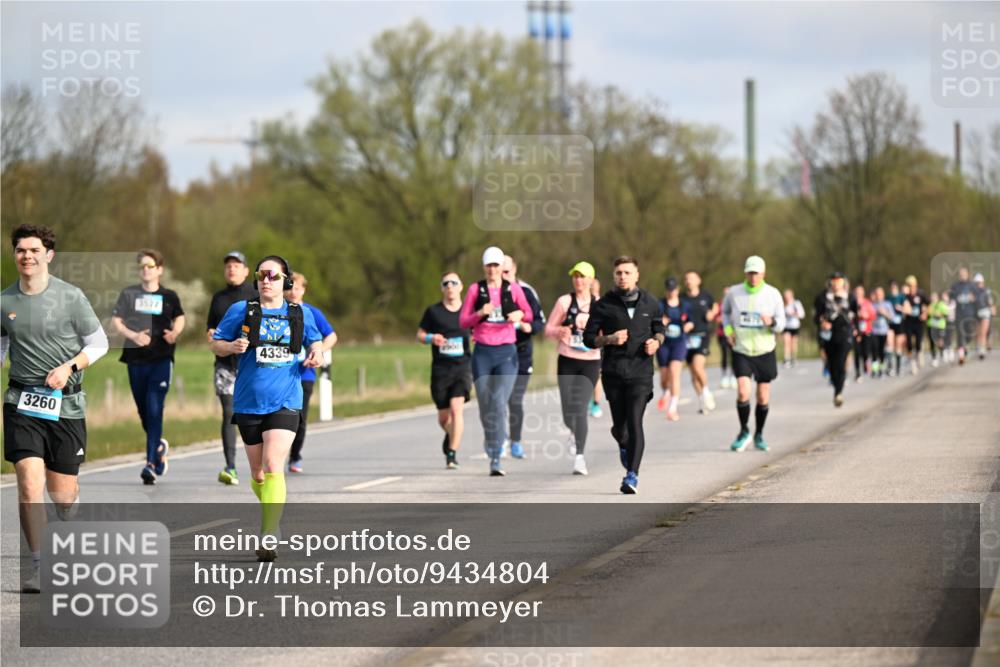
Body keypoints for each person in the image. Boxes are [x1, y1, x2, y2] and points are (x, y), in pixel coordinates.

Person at [3, 225, 109, 593]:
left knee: (62, 497)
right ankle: (40, 566)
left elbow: (99, 343)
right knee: (29, 483)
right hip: (21, 403)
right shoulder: (5, 303)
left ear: (49, 255)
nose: (27, 256)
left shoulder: (71, 297)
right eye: (20, 250)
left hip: (66, 406)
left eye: (34, 250)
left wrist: (70, 367)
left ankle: (70, 508)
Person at [211, 256, 324, 561]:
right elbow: (215, 342)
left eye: (273, 276)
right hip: (248, 400)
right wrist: (231, 347)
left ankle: (269, 533)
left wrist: (316, 354)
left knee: (275, 465)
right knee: (259, 475)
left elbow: (317, 343)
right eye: (262, 275)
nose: (266, 280)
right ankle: (273, 513)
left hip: (287, 398)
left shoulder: (300, 313)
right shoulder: (242, 310)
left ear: (285, 281)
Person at [583, 256, 665, 494]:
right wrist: (609, 339)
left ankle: (632, 475)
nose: (623, 276)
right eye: (619, 273)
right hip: (613, 373)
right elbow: (589, 339)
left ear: (636, 275)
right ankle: (621, 440)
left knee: (635, 421)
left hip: (641, 372)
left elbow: (660, 329)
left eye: (627, 272)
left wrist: (656, 343)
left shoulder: (650, 302)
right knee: (621, 429)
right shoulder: (603, 305)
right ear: (614, 275)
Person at [111, 249, 185, 485]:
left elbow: (180, 317)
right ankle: (159, 446)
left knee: (154, 408)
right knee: (144, 410)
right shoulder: (129, 293)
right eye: (142, 266)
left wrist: (175, 332)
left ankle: (150, 463)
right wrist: (133, 335)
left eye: (150, 266)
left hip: (162, 359)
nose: (145, 269)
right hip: (135, 359)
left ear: (159, 270)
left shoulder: (169, 295)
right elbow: (116, 320)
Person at [458, 246, 534, 477]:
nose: (492, 270)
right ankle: (491, 438)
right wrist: (480, 313)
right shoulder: (475, 289)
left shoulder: (513, 289)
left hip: (506, 353)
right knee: (484, 403)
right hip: (482, 352)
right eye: (489, 265)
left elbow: (529, 314)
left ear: (502, 268)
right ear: (484, 267)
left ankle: (495, 455)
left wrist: (519, 316)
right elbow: (463, 321)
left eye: (496, 265)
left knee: (499, 401)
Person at [721, 255, 785, 451]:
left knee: (763, 396)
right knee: (742, 391)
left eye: (756, 273)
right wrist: (729, 331)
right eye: (750, 272)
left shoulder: (773, 294)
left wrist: (772, 322)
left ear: (763, 273)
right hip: (741, 349)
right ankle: (743, 431)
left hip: (764, 349)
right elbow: (724, 313)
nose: (753, 277)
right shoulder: (734, 292)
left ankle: (759, 434)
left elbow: (782, 323)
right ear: (745, 273)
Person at [545, 261, 602, 475]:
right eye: (575, 276)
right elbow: (548, 328)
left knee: (580, 409)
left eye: (582, 276)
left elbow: (608, 332)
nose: (578, 280)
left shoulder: (600, 304)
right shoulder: (564, 302)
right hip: (567, 358)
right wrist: (558, 331)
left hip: (590, 360)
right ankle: (572, 430)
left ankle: (580, 457)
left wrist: (601, 338)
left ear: (590, 280)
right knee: (568, 410)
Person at [206, 251, 256, 485]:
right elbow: (211, 334)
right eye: (228, 266)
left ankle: (264, 462)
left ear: (246, 271)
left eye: (237, 265)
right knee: (228, 413)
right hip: (226, 365)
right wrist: (221, 343)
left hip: (253, 366)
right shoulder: (218, 299)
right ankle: (231, 467)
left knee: (254, 415)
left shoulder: (256, 296)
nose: (232, 269)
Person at [417, 271, 472, 469]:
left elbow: (478, 330)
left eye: (453, 283)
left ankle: (452, 454)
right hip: (441, 369)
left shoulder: (468, 311)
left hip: (462, 367)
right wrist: (432, 338)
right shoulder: (433, 312)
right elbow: (420, 335)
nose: (450, 286)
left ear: (461, 286)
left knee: (457, 408)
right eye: (446, 283)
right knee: (444, 417)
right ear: (442, 288)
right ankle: (450, 434)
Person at [285, 272, 338, 473]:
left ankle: (295, 456)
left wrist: (318, 351)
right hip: (281, 373)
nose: (292, 292)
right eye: (289, 287)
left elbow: (331, 336)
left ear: (304, 290)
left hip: (304, 373)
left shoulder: (312, 312)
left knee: (299, 417)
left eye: (297, 288)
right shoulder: (276, 311)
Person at [502, 255, 545, 459]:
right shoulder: (489, 292)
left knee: (514, 399)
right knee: (497, 399)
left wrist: (529, 327)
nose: (503, 275)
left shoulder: (527, 292)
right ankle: (500, 439)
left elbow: (539, 321)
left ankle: (515, 441)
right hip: (498, 351)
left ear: (515, 269)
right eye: (499, 271)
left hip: (520, 352)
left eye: (507, 271)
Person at [814, 273, 854, 407]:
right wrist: (821, 323)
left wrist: (858, 330)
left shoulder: (850, 297)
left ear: (843, 283)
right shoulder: (822, 298)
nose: (836, 284)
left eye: (839, 281)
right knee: (831, 365)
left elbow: (857, 314)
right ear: (830, 283)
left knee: (841, 363)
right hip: (828, 335)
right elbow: (816, 317)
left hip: (844, 334)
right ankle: (836, 386)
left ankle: (838, 393)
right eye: (834, 281)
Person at [682, 271, 718, 414]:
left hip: (702, 335)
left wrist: (712, 313)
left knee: (698, 366)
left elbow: (715, 306)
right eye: (686, 279)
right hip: (687, 338)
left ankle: (707, 392)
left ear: (698, 280)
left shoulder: (705, 295)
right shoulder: (682, 298)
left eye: (691, 278)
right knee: (692, 374)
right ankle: (702, 401)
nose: (688, 281)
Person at [656, 277, 689, 422]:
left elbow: (691, 321)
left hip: (679, 343)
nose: (671, 292)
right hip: (664, 342)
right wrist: (660, 322)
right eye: (669, 290)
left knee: (675, 373)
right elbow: (654, 321)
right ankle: (666, 391)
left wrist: (689, 325)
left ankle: (673, 408)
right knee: (664, 376)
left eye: (673, 289)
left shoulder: (684, 305)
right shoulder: (660, 304)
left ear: (678, 289)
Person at [948, 266, 979, 366]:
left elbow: (978, 298)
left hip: (970, 314)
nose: (962, 275)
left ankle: (967, 346)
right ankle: (961, 356)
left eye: (964, 273)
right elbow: (950, 298)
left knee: (969, 334)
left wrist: (973, 298)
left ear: (968, 274)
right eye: (961, 274)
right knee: (960, 334)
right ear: (959, 275)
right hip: (959, 313)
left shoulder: (972, 286)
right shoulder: (955, 286)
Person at [902, 275, 927, 374]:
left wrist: (925, 313)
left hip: (918, 322)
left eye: (912, 285)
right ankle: (912, 363)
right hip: (908, 322)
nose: (911, 287)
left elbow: (928, 304)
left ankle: (919, 354)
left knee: (918, 342)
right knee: (908, 343)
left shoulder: (921, 294)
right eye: (909, 285)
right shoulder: (904, 296)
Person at [851, 284, 875, 383]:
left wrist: (866, 315)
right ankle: (857, 373)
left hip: (866, 330)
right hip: (855, 331)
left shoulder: (867, 303)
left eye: (860, 292)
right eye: (857, 292)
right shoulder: (851, 303)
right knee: (856, 352)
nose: (858, 294)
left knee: (865, 351)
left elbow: (873, 315)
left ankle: (866, 362)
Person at [588, 277, 604, 418]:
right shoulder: (582, 302)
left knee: (596, 375)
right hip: (581, 343)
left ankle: (596, 404)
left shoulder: (602, 304)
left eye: (594, 285)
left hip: (597, 344)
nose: (592, 287)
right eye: (590, 285)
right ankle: (586, 400)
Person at [871, 286, 893, 378]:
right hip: (874, 331)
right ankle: (875, 370)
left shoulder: (887, 304)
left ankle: (881, 369)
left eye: (880, 293)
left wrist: (884, 313)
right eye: (877, 294)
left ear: (883, 294)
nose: (878, 295)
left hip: (884, 331)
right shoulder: (872, 305)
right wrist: (875, 313)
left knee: (882, 351)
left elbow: (892, 318)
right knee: (874, 350)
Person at [716, 286, 735, 389]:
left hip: (732, 334)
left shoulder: (735, 305)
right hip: (722, 334)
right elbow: (716, 317)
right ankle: (724, 376)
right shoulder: (720, 305)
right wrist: (721, 319)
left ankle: (733, 376)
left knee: (733, 355)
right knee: (724, 355)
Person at [781, 289, 805, 368]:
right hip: (786, 326)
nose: (786, 297)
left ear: (791, 296)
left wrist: (793, 314)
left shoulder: (796, 303)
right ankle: (786, 359)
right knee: (786, 342)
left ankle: (793, 358)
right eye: (785, 296)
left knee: (793, 343)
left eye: (788, 296)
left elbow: (802, 314)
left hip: (794, 326)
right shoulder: (783, 304)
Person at [887, 280, 906, 376]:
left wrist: (901, 308)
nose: (893, 289)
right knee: (890, 343)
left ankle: (898, 367)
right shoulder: (888, 298)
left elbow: (908, 309)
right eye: (892, 287)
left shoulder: (901, 297)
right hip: (890, 323)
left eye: (895, 287)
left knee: (898, 345)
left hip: (899, 322)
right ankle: (890, 367)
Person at [974, 273, 995, 360]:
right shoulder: (973, 291)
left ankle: (982, 349)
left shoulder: (987, 291)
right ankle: (979, 346)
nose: (979, 284)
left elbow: (990, 301)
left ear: (983, 282)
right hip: (975, 313)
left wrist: (992, 308)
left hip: (985, 312)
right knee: (978, 332)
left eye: (980, 282)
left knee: (983, 332)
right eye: (977, 283)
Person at [926, 292, 949, 367]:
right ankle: (934, 358)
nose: (933, 298)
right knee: (932, 342)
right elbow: (927, 314)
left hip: (940, 326)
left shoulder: (941, 304)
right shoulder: (929, 305)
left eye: (934, 297)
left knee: (940, 341)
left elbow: (946, 313)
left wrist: (939, 314)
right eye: (932, 297)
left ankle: (943, 351)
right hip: (931, 326)